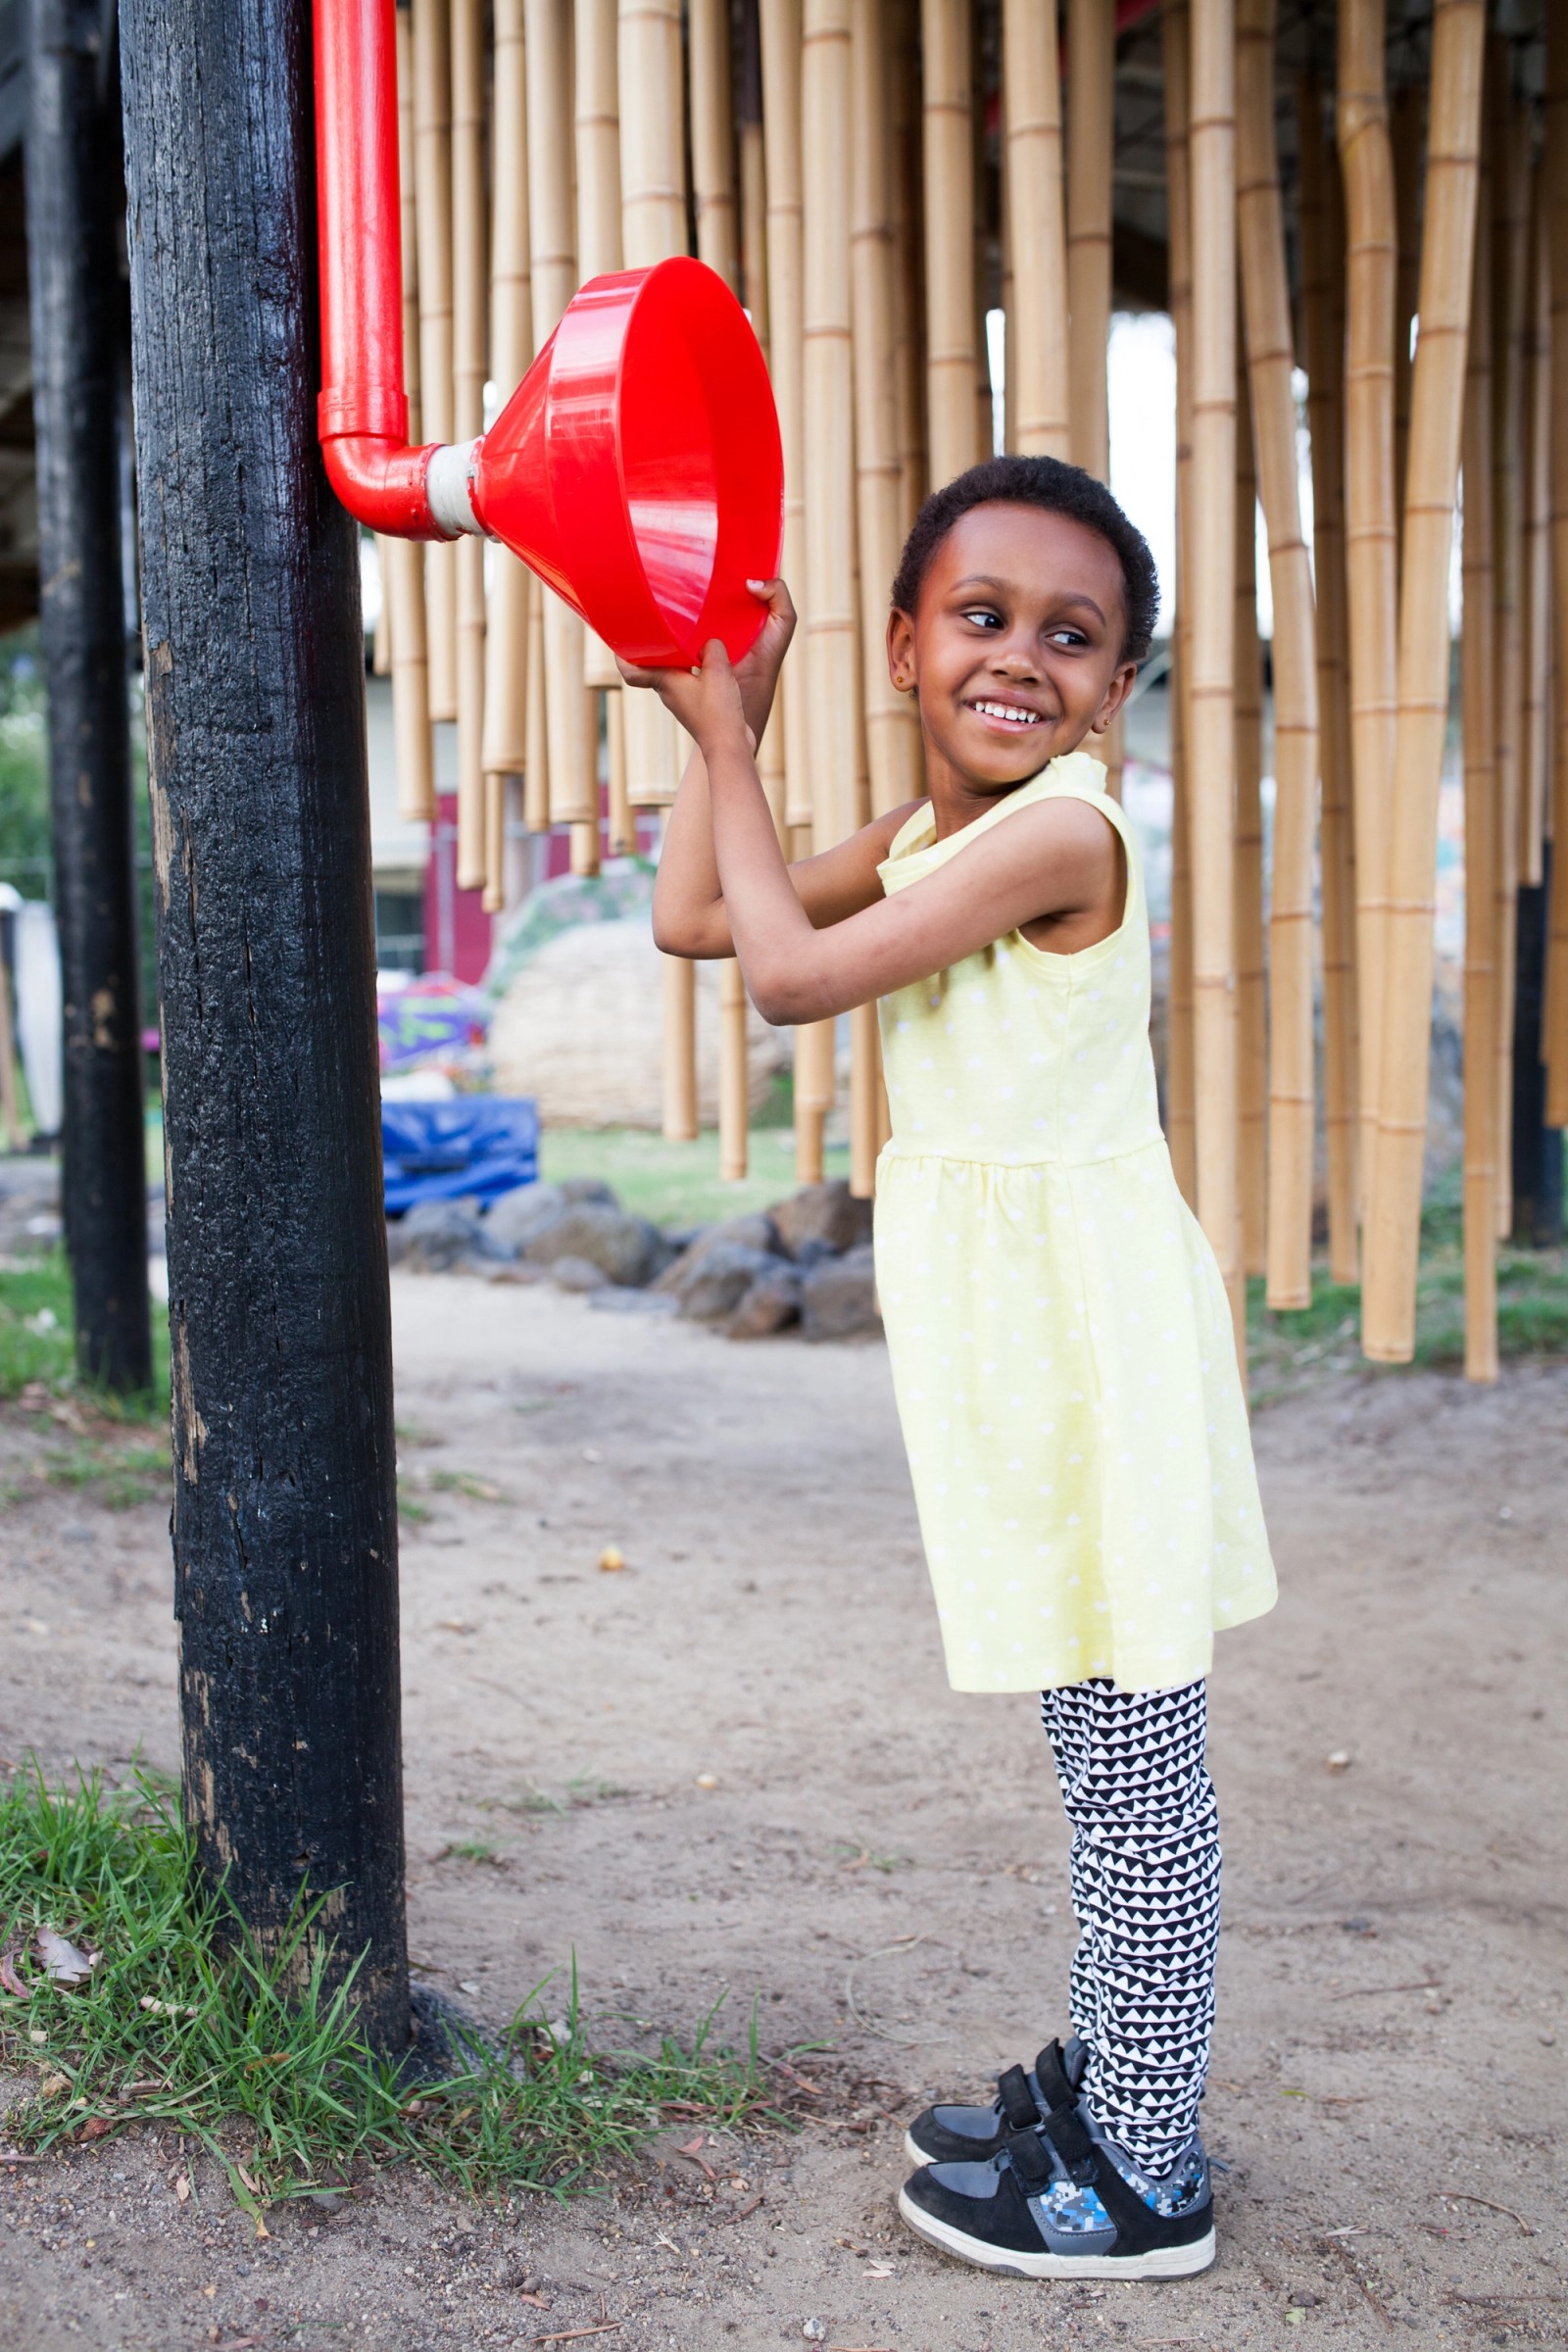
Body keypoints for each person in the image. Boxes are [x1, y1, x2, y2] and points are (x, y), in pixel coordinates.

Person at [627, 454, 1277, 2282]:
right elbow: (702, 920)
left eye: (1073, 638)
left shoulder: (1068, 837)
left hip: (1100, 1354)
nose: (1021, 659)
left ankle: (1145, 2172)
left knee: (1140, 1760)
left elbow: (786, 983)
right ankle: (1111, 2076)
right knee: (1102, 1744)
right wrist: (722, 731)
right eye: (981, 618)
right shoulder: (936, 842)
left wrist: (737, 755)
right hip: (1030, 1354)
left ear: (1117, 690)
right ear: (906, 644)